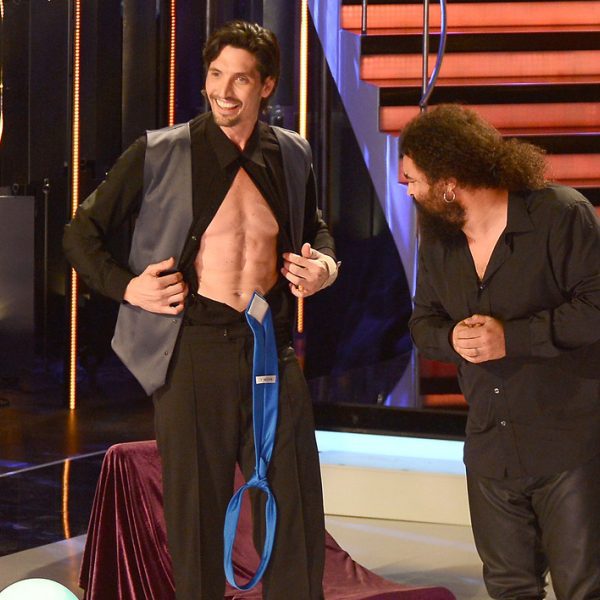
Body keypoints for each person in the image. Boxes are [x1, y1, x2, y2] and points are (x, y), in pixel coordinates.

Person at [63, 20, 338, 600]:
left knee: (293, 506)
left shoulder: (292, 153)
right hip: (193, 347)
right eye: (216, 75)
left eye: (241, 79)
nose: (224, 91)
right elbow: (80, 233)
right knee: (195, 515)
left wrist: (326, 267)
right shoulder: (162, 150)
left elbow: (314, 227)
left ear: (267, 85)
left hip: (269, 346)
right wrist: (128, 288)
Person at [403, 104, 600, 599]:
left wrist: (511, 338)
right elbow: (423, 323)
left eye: (413, 180)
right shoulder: (438, 240)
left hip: (569, 447)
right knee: (509, 588)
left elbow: (596, 307)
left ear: (449, 183)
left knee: (583, 588)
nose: (409, 192)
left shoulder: (560, 214)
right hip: (490, 448)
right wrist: (451, 339)